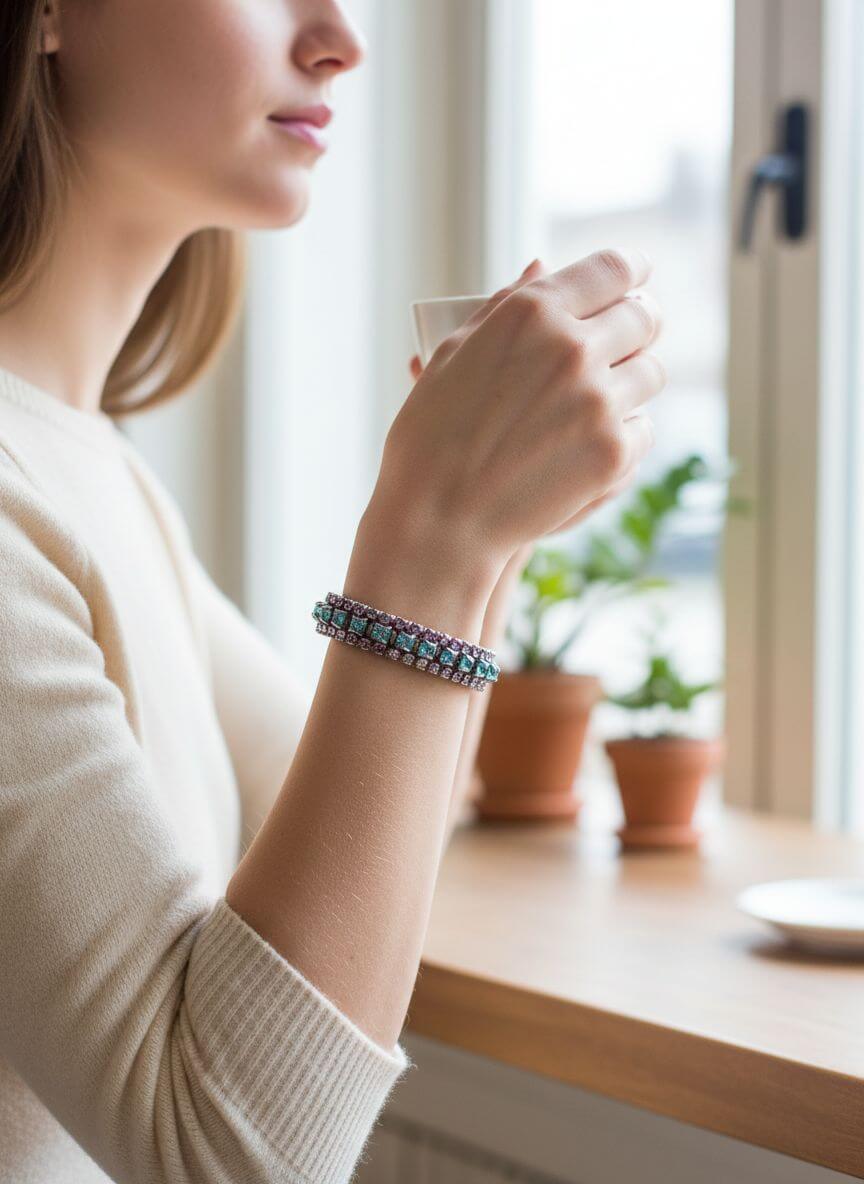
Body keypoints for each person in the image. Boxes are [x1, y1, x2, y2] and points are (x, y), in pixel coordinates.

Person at [0, 1, 666, 1181]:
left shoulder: (91, 472)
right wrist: (435, 535)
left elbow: (373, 825)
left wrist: (491, 531)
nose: (343, 39)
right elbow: (229, 1149)